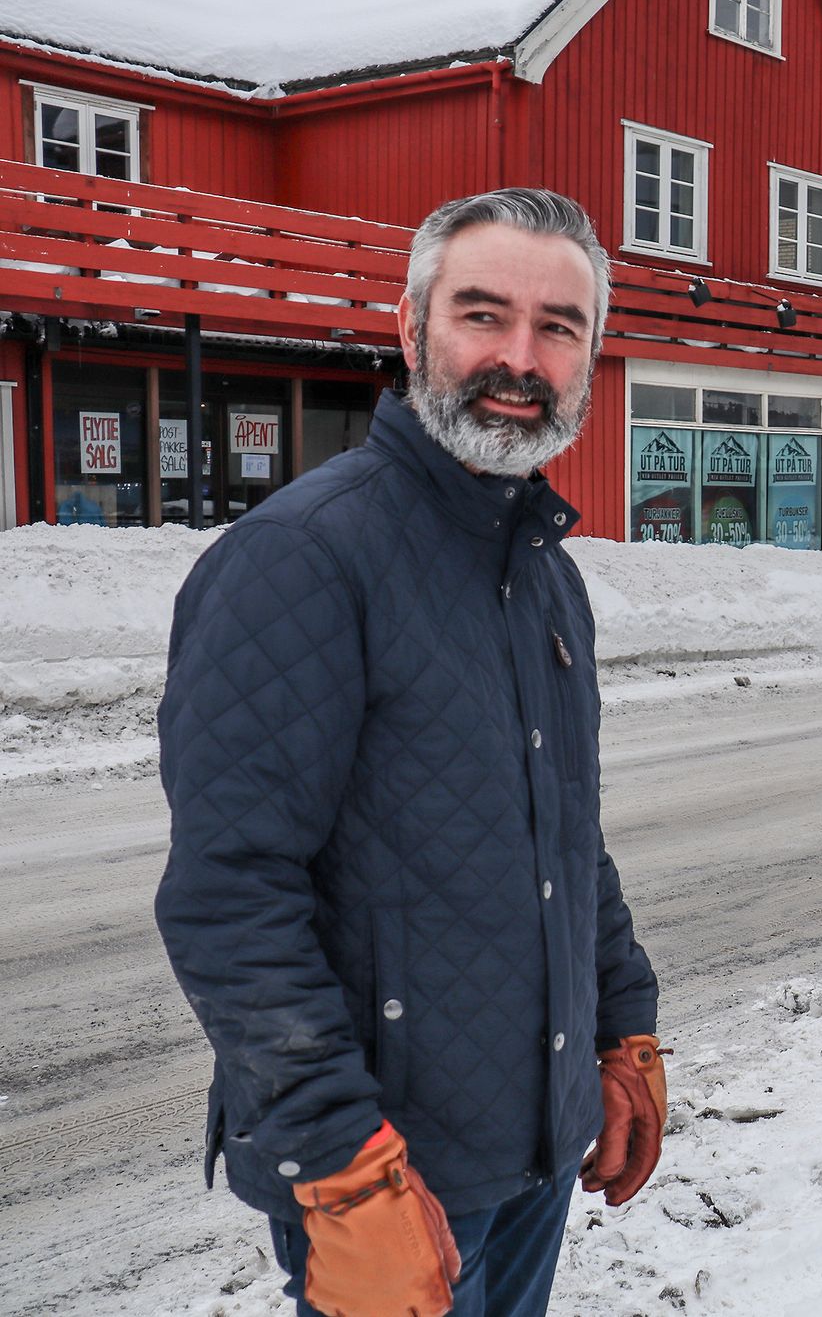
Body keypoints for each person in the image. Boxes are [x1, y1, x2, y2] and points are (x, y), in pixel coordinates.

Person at [156, 188, 667, 1317]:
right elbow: (227, 893)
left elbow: (567, 831)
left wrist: (622, 1021)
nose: (519, 358)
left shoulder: (544, 570)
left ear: (589, 355)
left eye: (558, 326)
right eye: (482, 315)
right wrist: (339, 1163)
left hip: (535, 1140)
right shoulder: (302, 558)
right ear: (409, 330)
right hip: (391, 1166)